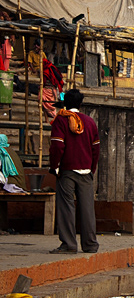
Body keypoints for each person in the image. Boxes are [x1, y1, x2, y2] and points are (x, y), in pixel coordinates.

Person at [48, 89, 99, 254]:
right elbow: (96, 149)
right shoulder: (89, 122)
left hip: (67, 170)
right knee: (87, 209)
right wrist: (91, 168)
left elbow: (57, 145)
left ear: (65, 103)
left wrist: (54, 166)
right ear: (80, 104)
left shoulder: (60, 120)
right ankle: (90, 244)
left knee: (66, 207)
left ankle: (69, 244)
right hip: (86, 170)